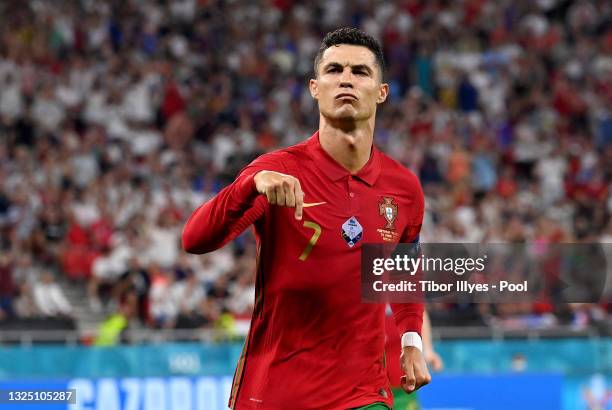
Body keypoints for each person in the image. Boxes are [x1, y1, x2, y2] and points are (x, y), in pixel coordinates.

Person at [183, 27, 430, 409]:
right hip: (275, 391)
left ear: (381, 93)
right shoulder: (276, 171)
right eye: (334, 70)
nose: (346, 78)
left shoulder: (404, 188)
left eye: (360, 71)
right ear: (315, 87)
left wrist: (412, 341)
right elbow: (194, 239)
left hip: (361, 394)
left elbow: (403, 272)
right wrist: (248, 185)